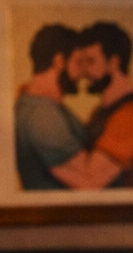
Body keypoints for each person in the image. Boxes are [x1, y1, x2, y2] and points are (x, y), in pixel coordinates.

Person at [51, 21, 133, 189]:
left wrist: (45, 162)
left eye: (91, 61)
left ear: (113, 62)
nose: (84, 71)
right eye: (81, 62)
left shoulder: (132, 115)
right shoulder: (101, 111)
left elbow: (91, 183)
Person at [14, 24, 86, 190]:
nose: (82, 72)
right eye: (78, 62)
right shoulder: (42, 114)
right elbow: (89, 181)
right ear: (59, 61)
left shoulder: (41, 105)